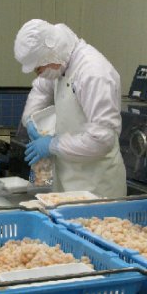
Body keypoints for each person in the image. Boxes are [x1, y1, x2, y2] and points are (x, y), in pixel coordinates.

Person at [14, 19, 127, 198]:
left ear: (50, 54)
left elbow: (102, 140)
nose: (38, 73)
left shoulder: (94, 73)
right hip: (67, 179)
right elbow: (41, 89)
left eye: (39, 68)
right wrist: (29, 120)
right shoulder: (60, 63)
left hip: (97, 187)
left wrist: (53, 145)